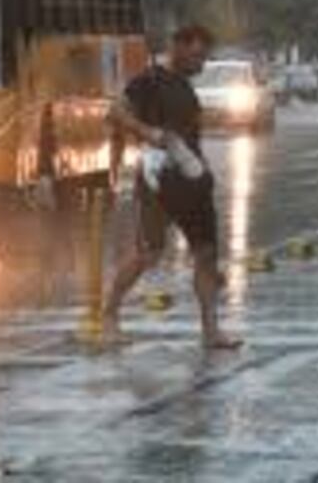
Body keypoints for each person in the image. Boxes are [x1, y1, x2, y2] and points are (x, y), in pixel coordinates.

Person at [103, 24, 242, 350]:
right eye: (196, 55)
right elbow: (115, 113)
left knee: (206, 254)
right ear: (177, 47)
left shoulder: (185, 87)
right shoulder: (150, 80)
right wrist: (147, 132)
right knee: (149, 252)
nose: (201, 64)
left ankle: (211, 332)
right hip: (159, 177)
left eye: (205, 57)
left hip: (193, 178)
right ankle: (109, 314)